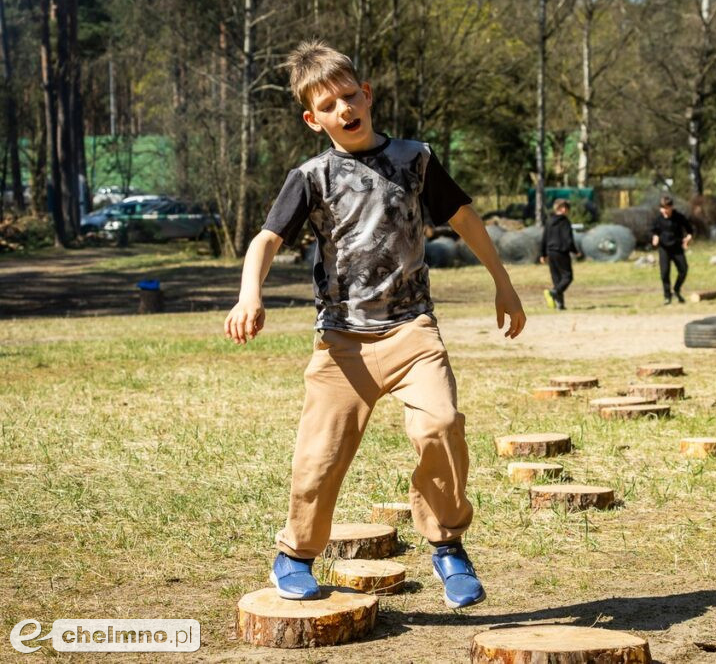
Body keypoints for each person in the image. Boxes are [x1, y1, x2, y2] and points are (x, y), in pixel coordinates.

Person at [223, 41, 526, 608]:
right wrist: (249, 295)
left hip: (413, 331)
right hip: (342, 342)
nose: (343, 108)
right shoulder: (311, 176)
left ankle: (447, 545)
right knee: (319, 458)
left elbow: (464, 218)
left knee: (441, 424)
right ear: (313, 120)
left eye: (348, 95)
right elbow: (266, 239)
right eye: (328, 105)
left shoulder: (416, 158)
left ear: (366, 95)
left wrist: (503, 283)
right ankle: (294, 555)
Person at [650, 196, 694, 305]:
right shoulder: (658, 219)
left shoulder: (679, 217)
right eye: (662, 208)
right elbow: (654, 231)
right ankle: (667, 296)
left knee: (683, 269)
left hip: (677, 247)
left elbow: (690, 230)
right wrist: (655, 237)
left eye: (666, 208)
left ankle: (676, 289)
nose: (664, 211)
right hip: (664, 248)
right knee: (664, 273)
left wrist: (688, 238)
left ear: (671, 207)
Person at [539, 199, 580, 310]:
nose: (568, 211)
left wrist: (543, 254)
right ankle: (554, 292)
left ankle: (560, 305)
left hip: (551, 252)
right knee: (567, 276)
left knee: (557, 279)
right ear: (563, 209)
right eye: (567, 209)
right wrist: (575, 251)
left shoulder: (549, 221)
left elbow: (544, 238)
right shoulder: (565, 222)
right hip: (562, 252)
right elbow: (568, 239)